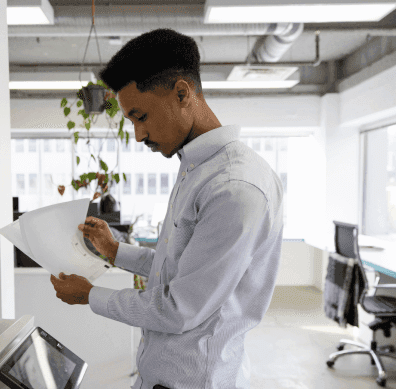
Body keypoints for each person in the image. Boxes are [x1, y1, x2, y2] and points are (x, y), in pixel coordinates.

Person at [50, 28, 284, 389]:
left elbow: (179, 308)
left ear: (181, 93)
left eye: (141, 117)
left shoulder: (235, 189)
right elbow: (177, 266)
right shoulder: (198, 169)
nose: (139, 135)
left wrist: (90, 295)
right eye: (132, 121)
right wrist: (115, 251)